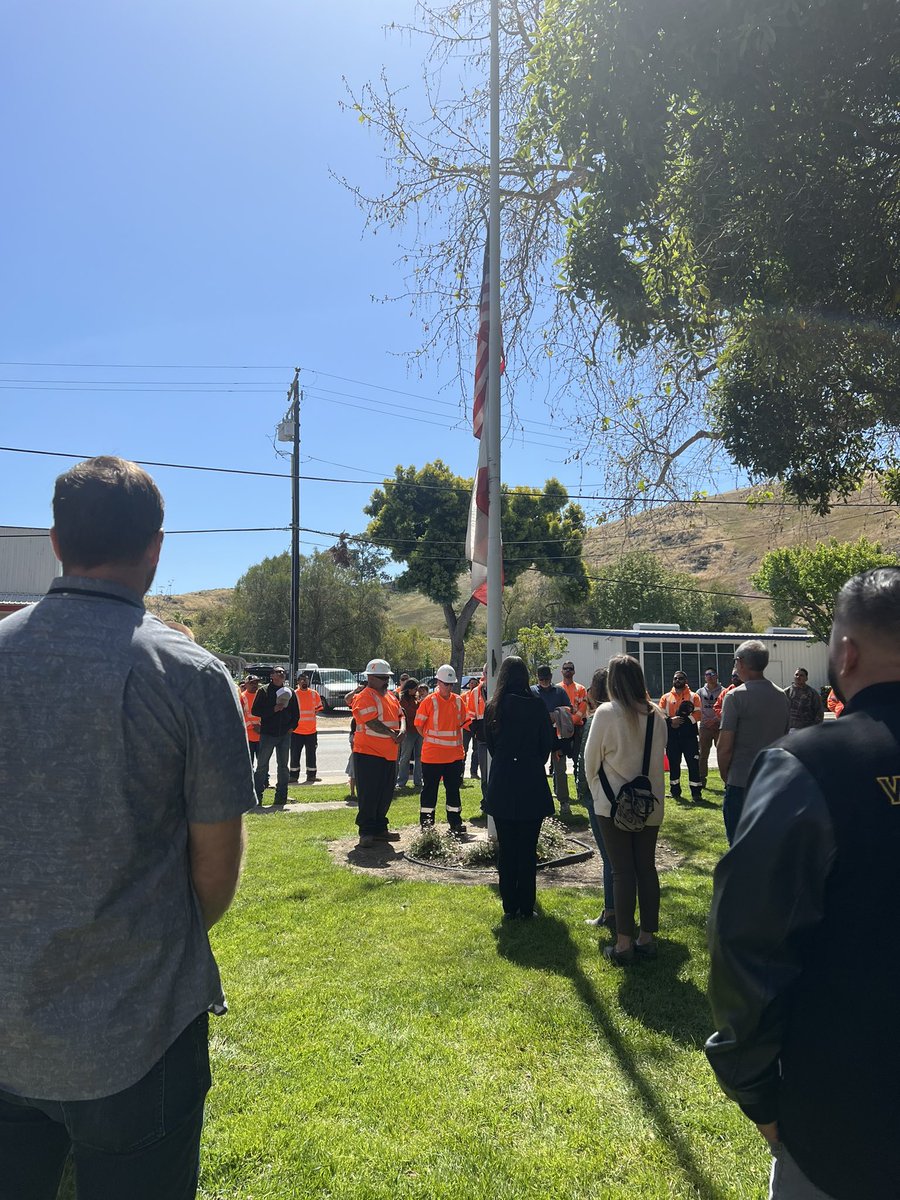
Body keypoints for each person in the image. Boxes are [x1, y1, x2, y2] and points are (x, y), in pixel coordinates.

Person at [0, 456, 254, 1200]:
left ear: (55, 540)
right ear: (156, 547)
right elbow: (215, 875)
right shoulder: (192, 675)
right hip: (139, 1033)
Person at [706, 567, 900, 1200]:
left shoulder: (812, 765)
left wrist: (754, 1088)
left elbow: (746, 942)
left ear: (845, 652)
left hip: (845, 1121)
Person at [584, 655, 668, 965]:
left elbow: (591, 762)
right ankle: (647, 937)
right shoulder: (657, 716)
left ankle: (623, 943)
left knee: (622, 871)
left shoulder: (607, 713)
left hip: (613, 805)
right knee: (646, 868)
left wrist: (598, 793)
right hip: (650, 804)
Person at [483, 656, 556, 919]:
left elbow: (490, 744)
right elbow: (546, 744)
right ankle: (526, 906)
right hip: (530, 780)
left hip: (503, 782)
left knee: (507, 849)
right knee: (527, 849)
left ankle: (509, 905)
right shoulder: (536, 706)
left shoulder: (493, 707)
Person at [717, 640, 790, 844]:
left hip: (741, 782)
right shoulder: (782, 696)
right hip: (772, 782)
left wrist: (726, 775)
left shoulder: (734, 697)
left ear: (740, 662)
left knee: (739, 847)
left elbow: (724, 747)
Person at [575, 667, 615, 932]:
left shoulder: (598, 719)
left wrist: (584, 795)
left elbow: (585, 764)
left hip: (602, 797)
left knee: (610, 858)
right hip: (636, 798)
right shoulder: (645, 715)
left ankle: (611, 910)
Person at [350, 658, 402, 848]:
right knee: (369, 794)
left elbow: (401, 715)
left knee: (385, 794)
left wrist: (402, 730)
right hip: (368, 753)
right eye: (381, 677)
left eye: (387, 677)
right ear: (370, 678)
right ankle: (366, 831)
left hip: (389, 753)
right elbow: (370, 721)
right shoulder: (365, 696)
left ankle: (380, 828)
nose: (385, 681)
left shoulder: (390, 696)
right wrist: (392, 733)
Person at [415, 664, 470, 833]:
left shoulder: (458, 701)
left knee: (453, 791)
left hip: (453, 756)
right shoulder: (429, 701)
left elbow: (465, 723)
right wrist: (433, 740)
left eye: (451, 684)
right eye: (446, 683)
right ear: (438, 682)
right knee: (430, 791)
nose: (449, 687)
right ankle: (427, 825)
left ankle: (455, 823)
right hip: (432, 757)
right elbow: (418, 725)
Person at [252, 666, 300, 808]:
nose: (282, 674)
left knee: (283, 767)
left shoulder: (290, 692)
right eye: (278, 672)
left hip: (284, 735)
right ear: (272, 675)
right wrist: (273, 709)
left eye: (283, 672)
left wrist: (292, 727)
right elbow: (255, 710)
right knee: (261, 766)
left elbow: (296, 713)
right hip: (268, 734)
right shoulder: (264, 691)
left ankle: (281, 796)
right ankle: (257, 797)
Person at [531, 664, 573, 816]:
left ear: (551, 677)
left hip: (557, 737)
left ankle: (564, 801)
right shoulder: (532, 691)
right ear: (538, 678)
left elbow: (569, 710)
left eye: (546, 679)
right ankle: (537, 801)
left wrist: (555, 715)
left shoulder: (559, 692)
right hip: (538, 737)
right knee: (536, 770)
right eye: (542, 679)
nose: (544, 682)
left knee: (560, 770)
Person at [658, 670, 703, 801]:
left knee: (693, 764)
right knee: (673, 764)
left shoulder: (694, 696)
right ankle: (675, 792)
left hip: (689, 736)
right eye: (675, 678)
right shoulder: (665, 697)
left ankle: (696, 793)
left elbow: (699, 714)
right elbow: (660, 714)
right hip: (672, 736)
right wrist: (670, 721)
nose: (678, 680)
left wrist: (683, 721)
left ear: (686, 681)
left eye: (681, 678)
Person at [289, 671, 323, 784]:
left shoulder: (314, 694)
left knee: (311, 754)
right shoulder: (294, 694)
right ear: (298, 681)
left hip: (311, 731)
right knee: (295, 754)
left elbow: (317, 709)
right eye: (302, 679)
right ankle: (293, 776)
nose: (304, 681)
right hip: (296, 731)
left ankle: (311, 775)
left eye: (306, 679)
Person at [465, 665, 489, 808]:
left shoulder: (502, 689)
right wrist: (475, 730)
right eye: (486, 672)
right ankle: (486, 800)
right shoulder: (475, 692)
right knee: (485, 772)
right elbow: (470, 713)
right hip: (483, 738)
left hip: (499, 738)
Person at [558, 657, 588, 764]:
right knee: (559, 762)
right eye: (565, 668)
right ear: (561, 671)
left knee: (577, 760)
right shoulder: (557, 689)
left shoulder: (581, 689)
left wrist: (572, 721)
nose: (568, 670)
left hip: (577, 728)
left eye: (570, 668)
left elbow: (583, 707)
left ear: (574, 671)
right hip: (560, 728)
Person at [697, 668, 724, 787]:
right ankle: (702, 779)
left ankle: (726, 779)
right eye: (707, 674)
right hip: (704, 727)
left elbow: (725, 708)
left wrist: (715, 719)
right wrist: (705, 720)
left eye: (712, 674)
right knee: (703, 754)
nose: (710, 676)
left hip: (719, 727)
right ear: (704, 677)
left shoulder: (723, 691)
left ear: (717, 676)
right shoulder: (700, 692)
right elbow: (698, 708)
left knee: (723, 753)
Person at [396, 677, 423, 790]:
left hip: (418, 731)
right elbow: (409, 713)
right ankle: (401, 781)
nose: (416, 691)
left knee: (419, 757)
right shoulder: (402, 700)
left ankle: (418, 780)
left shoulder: (416, 699)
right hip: (409, 732)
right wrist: (419, 710)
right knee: (405, 757)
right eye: (415, 689)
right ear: (409, 689)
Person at [784, 666, 824, 731]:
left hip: (807, 729)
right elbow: (780, 711)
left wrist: (816, 728)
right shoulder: (786, 692)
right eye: (796, 675)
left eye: (801, 675)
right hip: (790, 729)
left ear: (806, 678)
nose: (798, 677)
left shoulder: (813, 693)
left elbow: (819, 712)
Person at [240, 675, 262, 765]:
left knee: (263, 763)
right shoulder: (242, 697)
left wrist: (261, 726)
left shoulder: (261, 695)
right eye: (252, 683)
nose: (255, 685)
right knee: (248, 762)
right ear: (246, 684)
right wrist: (252, 726)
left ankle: (264, 779)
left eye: (256, 683)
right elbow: (240, 714)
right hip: (248, 736)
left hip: (261, 734)